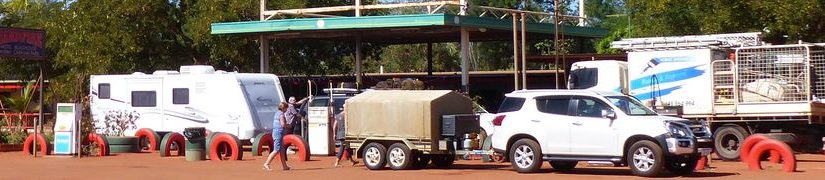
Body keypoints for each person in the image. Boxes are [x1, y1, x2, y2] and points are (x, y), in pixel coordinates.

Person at [263, 102, 291, 171]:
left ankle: (284, 166)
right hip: (278, 133)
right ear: (283, 108)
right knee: (276, 150)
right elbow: (283, 124)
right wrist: (288, 125)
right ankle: (266, 163)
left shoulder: (277, 113)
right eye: (286, 108)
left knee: (281, 150)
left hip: (277, 133)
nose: (286, 110)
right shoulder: (281, 115)